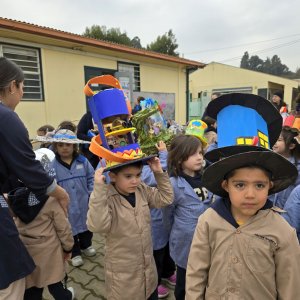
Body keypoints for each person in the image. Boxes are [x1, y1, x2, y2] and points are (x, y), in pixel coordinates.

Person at [185, 151, 300, 299]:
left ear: (269, 186)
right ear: (226, 186)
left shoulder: (283, 231)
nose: (250, 194)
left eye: (259, 185)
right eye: (240, 185)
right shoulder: (209, 220)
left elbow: (289, 285)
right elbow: (196, 271)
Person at [0, 57, 69, 299]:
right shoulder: (6, 117)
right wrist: (59, 191)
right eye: (21, 88)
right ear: (11, 87)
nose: (21, 95)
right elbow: (27, 165)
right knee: (10, 280)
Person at [87, 157, 174, 300]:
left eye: (138, 175)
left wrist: (159, 173)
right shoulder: (106, 198)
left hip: (148, 271)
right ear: (112, 176)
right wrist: (98, 190)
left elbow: (166, 198)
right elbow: (96, 225)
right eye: (128, 176)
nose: (135, 180)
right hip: (123, 278)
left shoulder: (141, 190)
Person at [8, 148, 75, 300]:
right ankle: (66, 297)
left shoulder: (15, 198)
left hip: (27, 250)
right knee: (56, 284)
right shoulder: (52, 200)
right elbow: (63, 228)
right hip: (50, 253)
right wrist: (68, 247)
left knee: (32, 288)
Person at [162, 133, 214, 300]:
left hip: (208, 239)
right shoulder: (174, 184)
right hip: (186, 243)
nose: (199, 157)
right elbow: (167, 214)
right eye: (193, 154)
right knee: (185, 282)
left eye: (200, 153)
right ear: (179, 159)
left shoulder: (208, 178)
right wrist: (174, 234)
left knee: (205, 278)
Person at [48, 129, 96, 267]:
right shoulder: (53, 165)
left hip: (84, 203)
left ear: (74, 146)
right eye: (60, 145)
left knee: (87, 226)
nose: (64, 148)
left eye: (68, 144)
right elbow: (51, 184)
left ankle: (86, 246)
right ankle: (75, 253)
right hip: (66, 206)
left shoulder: (83, 161)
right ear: (56, 146)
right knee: (70, 229)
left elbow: (91, 177)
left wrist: (91, 193)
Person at [141, 141, 176, 299]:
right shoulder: (141, 170)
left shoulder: (153, 163)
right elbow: (153, 177)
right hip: (153, 221)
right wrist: (163, 155)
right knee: (156, 253)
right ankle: (156, 281)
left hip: (164, 219)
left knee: (166, 249)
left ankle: (168, 273)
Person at [270, 126, 300, 208]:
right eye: (274, 138)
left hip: (286, 210)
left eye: (279, 140)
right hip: (269, 208)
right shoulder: (269, 161)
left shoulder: (297, 167)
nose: (274, 142)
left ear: (291, 146)